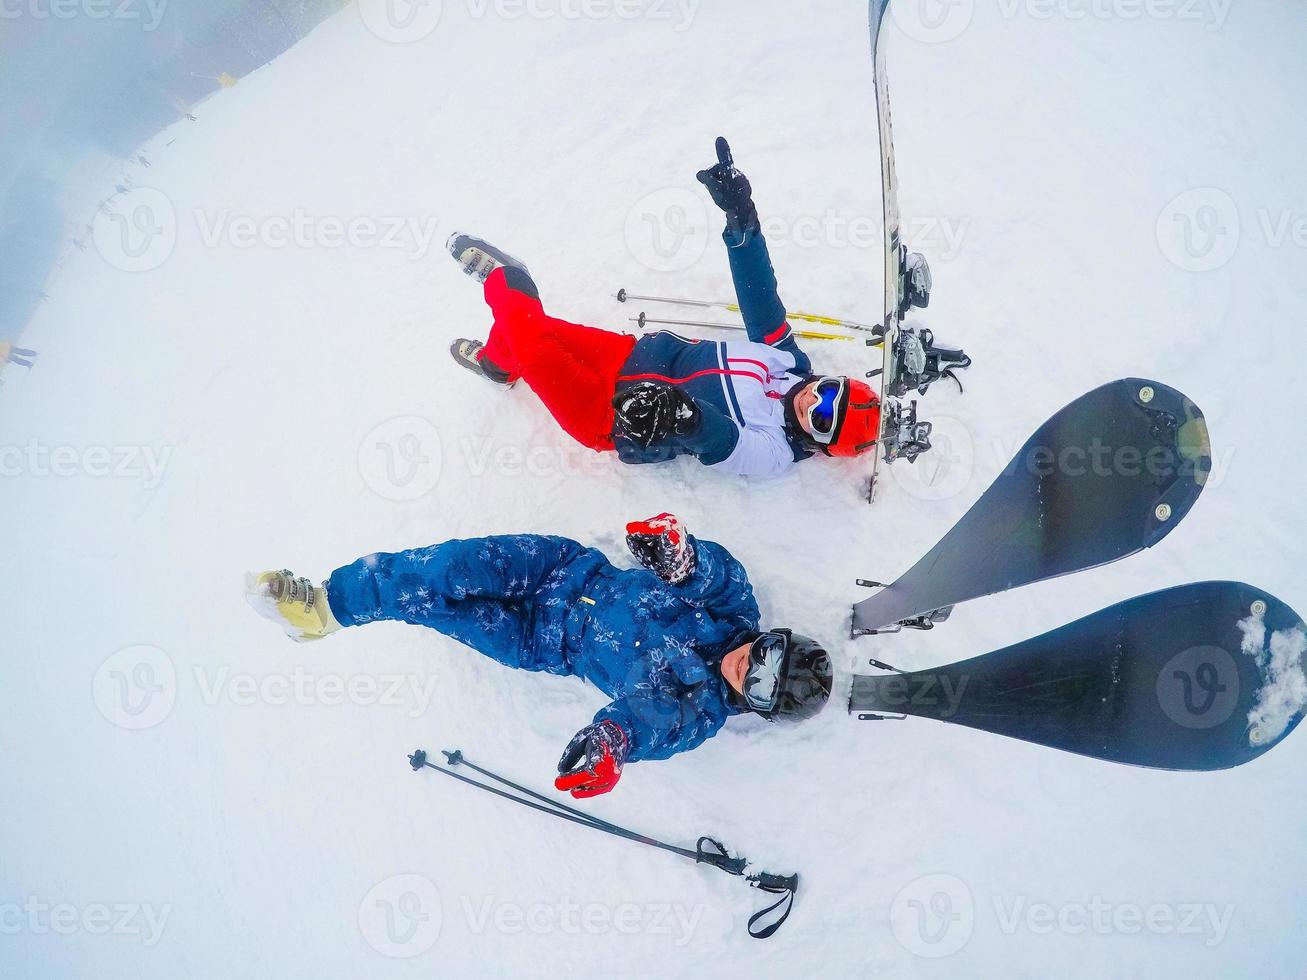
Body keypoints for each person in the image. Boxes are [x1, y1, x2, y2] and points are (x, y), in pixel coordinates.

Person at [247, 514, 833, 798]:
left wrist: (611, 744)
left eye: (759, 685)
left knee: (433, 605)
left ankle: (321, 620)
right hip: (561, 566)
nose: (747, 665)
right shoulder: (734, 611)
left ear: (756, 707)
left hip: (538, 640)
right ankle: (330, 600)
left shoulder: (699, 706)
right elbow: (714, 574)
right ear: (772, 633)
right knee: (445, 567)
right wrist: (680, 558)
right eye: (768, 652)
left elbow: (651, 725)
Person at [446, 138, 882, 478]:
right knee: (534, 332)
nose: (813, 402)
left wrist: (687, 416)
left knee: (530, 333)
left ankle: (506, 279)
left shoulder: (774, 450)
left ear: (821, 445)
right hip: (627, 355)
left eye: (823, 420)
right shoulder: (787, 360)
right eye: (830, 391)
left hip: (613, 414)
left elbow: (724, 442)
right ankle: (496, 366)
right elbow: (760, 300)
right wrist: (742, 221)